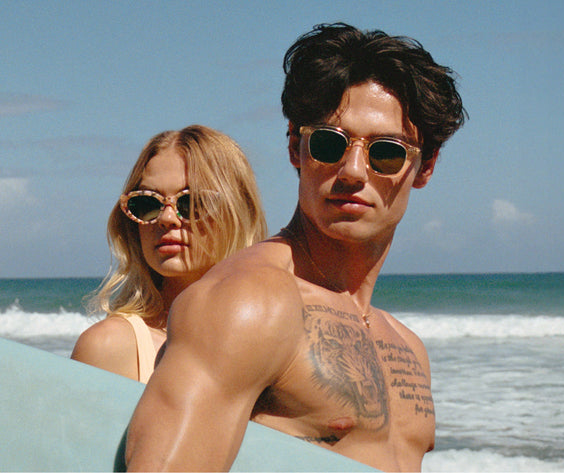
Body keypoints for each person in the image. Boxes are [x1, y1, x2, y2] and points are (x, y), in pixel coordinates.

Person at [125, 23, 465, 471]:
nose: (353, 171)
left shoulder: (407, 348)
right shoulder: (249, 301)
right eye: (328, 143)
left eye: (386, 152)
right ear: (294, 147)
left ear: (426, 167)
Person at [71, 125, 267, 383]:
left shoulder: (279, 340)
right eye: (147, 203)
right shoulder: (109, 347)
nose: (166, 218)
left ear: (240, 212)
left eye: (192, 202)